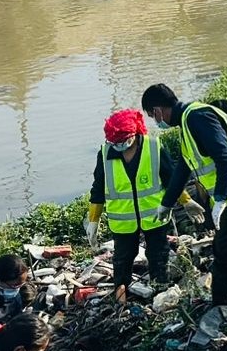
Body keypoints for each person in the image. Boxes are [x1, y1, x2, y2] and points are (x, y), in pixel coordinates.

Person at [142, 84, 227, 323]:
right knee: (222, 252)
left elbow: (224, 158)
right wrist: (166, 203)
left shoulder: (198, 117)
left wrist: (220, 198)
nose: (155, 122)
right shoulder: (186, 124)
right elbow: (183, 168)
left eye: (153, 116)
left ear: (158, 110)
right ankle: (219, 305)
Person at [86, 109, 204, 300]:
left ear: (135, 134)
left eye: (123, 141)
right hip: (123, 221)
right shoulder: (106, 153)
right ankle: (120, 297)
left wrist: (186, 201)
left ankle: (161, 291)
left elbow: (170, 179)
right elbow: (98, 187)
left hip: (155, 215)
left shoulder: (153, 147)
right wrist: (94, 220)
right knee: (123, 258)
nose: (120, 146)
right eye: (114, 142)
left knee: (159, 254)